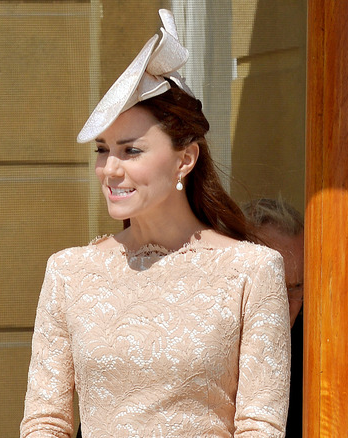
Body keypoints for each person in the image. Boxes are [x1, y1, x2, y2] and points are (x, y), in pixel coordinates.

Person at [20, 10, 291, 437]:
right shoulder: (69, 273)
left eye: (131, 151)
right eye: (102, 150)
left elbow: (261, 426)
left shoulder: (252, 271)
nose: (109, 169)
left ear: (186, 159)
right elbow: (45, 422)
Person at [243, 198, 305, 438]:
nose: (287, 305)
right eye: (276, 287)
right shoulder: (208, 344)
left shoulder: (315, 353)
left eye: (297, 287)